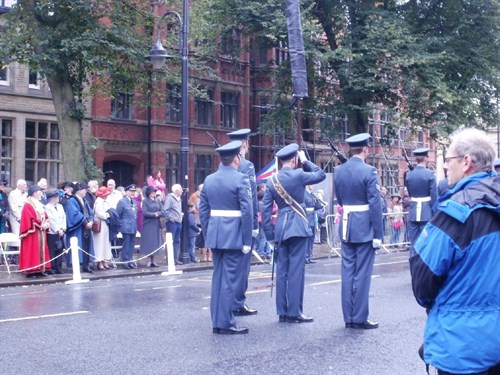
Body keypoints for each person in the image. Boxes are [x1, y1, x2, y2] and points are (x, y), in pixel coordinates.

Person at [410, 128, 499, 375]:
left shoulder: (454, 214)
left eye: (449, 160)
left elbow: (423, 282)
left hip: (462, 345)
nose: (446, 167)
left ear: (467, 162)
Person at [262, 143, 326, 323]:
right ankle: (294, 312)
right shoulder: (299, 174)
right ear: (295, 159)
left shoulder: (272, 180)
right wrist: (306, 161)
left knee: (282, 270)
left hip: (281, 228)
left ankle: (282, 311)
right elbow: (320, 175)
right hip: (298, 226)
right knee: (296, 270)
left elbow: (266, 211)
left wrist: (269, 236)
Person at [199, 140, 253, 334]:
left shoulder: (209, 179)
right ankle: (225, 322)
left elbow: (203, 211)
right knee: (230, 279)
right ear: (237, 158)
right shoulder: (241, 179)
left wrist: (208, 233)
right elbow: (247, 212)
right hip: (234, 235)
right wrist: (247, 240)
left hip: (216, 234)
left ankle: (217, 320)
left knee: (218, 278)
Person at [333, 133, 383, 329]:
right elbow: (375, 204)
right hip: (364, 226)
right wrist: (378, 234)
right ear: (366, 149)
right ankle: (359, 317)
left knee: (347, 273)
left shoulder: (338, 170)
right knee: (362, 274)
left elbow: (340, 199)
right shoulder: (369, 171)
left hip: (347, 224)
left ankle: (348, 317)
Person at [227, 129, 259, 317]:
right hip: (243, 224)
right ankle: (238, 303)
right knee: (242, 266)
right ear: (245, 143)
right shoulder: (247, 166)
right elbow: (251, 199)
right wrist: (254, 225)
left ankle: (229, 302)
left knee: (229, 267)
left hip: (228, 224)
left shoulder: (223, 167)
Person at [405, 148, 437, 257]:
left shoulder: (409, 174)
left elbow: (410, 193)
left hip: (413, 211)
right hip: (426, 211)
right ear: (426, 158)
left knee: (413, 242)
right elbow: (434, 196)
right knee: (427, 241)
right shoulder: (430, 174)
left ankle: (413, 262)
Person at [19, 185, 51, 277]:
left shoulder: (38, 204)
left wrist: (46, 223)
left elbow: (45, 216)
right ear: (34, 193)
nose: (40, 192)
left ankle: (40, 269)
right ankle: (31, 270)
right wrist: (41, 224)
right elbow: (30, 219)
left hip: (41, 232)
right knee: (32, 250)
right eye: (39, 191)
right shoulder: (27, 205)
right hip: (33, 233)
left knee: (41, 249)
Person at [65, 182, 94, 273]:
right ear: (79, 190)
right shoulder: (72, 201)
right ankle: (78, 265)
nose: (85, 191)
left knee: (86, 246)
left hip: (87, 227)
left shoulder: (84, 200)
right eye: (84, 189)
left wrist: (91, 221)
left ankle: (86, 265)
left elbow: (90, 211)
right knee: (78, 247)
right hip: (79, 228)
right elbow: (74, 213)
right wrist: (85, 222)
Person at [44, 189, 66, 274]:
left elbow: (64, 217)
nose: (58, 198)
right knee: (52, 250)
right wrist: (57, 229)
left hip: (61, 231)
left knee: (60, 250)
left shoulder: (60, 206)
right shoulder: (47, 207)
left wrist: (63, 229)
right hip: (52, 232)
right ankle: (52, 267)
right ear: (52, 198)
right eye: (56, 196)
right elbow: (50, 220)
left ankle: (58, 267)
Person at [140, 186, 163, 268]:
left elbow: (162, 211)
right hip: (148, 223)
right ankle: (149, 260)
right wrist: (154, 214)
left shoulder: (158, 200)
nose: (154, 193)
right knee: (149, 242)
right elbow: (145, 212)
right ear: (149, 193)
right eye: (152, 192)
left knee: (155, 243)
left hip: (156, 223)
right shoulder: (145, 201)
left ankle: (153, 260)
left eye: (154, 192)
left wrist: (158, 214)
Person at [116, 184, 138, 269]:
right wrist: (120, 225)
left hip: (133, 227)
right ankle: (125, 261)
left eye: (134, 191)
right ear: (126, 192)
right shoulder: (122, 202)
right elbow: (118, 215)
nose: (133, 193)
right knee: (126, 245)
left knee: (131, 245)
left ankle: (129, 261)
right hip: (125, 227)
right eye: (131, 191)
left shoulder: (134, 202)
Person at [92, 186, 113, 270]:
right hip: (100, 224)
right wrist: (108, 215)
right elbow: (99, 213)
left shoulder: (105, 201)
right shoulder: (99, 201)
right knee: (100, 244)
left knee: (106, 243)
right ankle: (99, 262)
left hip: (106, 224)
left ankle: (105, 261)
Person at [189, 184, 211, 262]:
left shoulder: (206, 196)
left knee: (207, 237)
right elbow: (191, 205)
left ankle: (208, 256)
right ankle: (204, 254)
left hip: (207, 218)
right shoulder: (194, 196)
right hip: (197, 218)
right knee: (201, 237)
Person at [163, 184, 183, 265]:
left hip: (178, 222)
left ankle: (175, 259)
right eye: (180, 189)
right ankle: (170, 259)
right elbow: (165, 210)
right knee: (171, 241)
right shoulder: (170, 198)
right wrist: (172, 219)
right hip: (172, 223)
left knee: (177, 241)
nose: (182, 191)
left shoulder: (179, 198)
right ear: (176, 191)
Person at [304, 185, 324, 264]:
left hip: (312, 217)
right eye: (311, 184)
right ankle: (305, 256)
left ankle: (309, 256)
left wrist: (320, 203)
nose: (313, 186)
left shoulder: (312, 195)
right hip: (307, 217)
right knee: (307, 239)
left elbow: (317, 206)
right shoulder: (303, 194)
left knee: (311, 239)